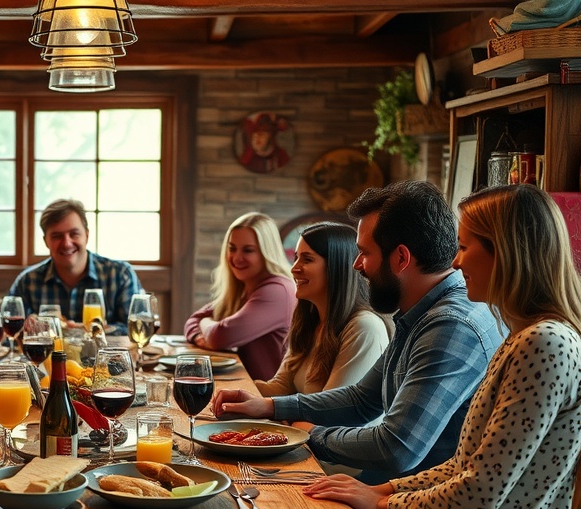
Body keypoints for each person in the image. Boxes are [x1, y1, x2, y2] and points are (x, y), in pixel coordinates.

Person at [303, 183, 581, 509]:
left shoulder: (543, 343)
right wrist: (381, 492)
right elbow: (465, 466)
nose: (455, 261)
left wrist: (381, 504)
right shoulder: (524, 334)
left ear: (507, 253)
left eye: (465, 247)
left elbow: (479, 491)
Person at [213, 181, 503, 483]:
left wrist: (307, 435)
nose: (356, 264)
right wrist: (270, 407)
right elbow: (363, 399)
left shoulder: (450, 326)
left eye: (364, 252)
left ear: (401, 258)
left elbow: (396, 448)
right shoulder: (422, 311)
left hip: (410, 508)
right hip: (386, 490)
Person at [256, 222, 390, 396]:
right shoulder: (311, 320)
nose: (294, 268)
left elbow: (330, 413)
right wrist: (229, 391)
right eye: (296, 257)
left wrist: (281, 415)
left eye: (307, 259)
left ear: (337, 266)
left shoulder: (364, 328)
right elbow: (280, 387)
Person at [184, 212, 297, 380]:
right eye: (232, 248)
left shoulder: (277, 290)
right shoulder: (246, 286)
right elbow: (193, 320)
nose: (237, 258)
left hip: (272, 399)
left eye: (248, 250)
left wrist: (206, 324)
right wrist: (201, 337)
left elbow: (220, 335)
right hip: (249, 389)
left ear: (267, 252)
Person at [8, 199, 142, 335]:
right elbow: (11, 337)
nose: (66, 243)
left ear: (87, 236)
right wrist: (27, 329)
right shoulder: (27, 281)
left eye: (74, 234)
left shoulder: (120, 274)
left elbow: (136, 330)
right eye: (57, 236)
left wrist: (91, 331)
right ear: (46, 241)